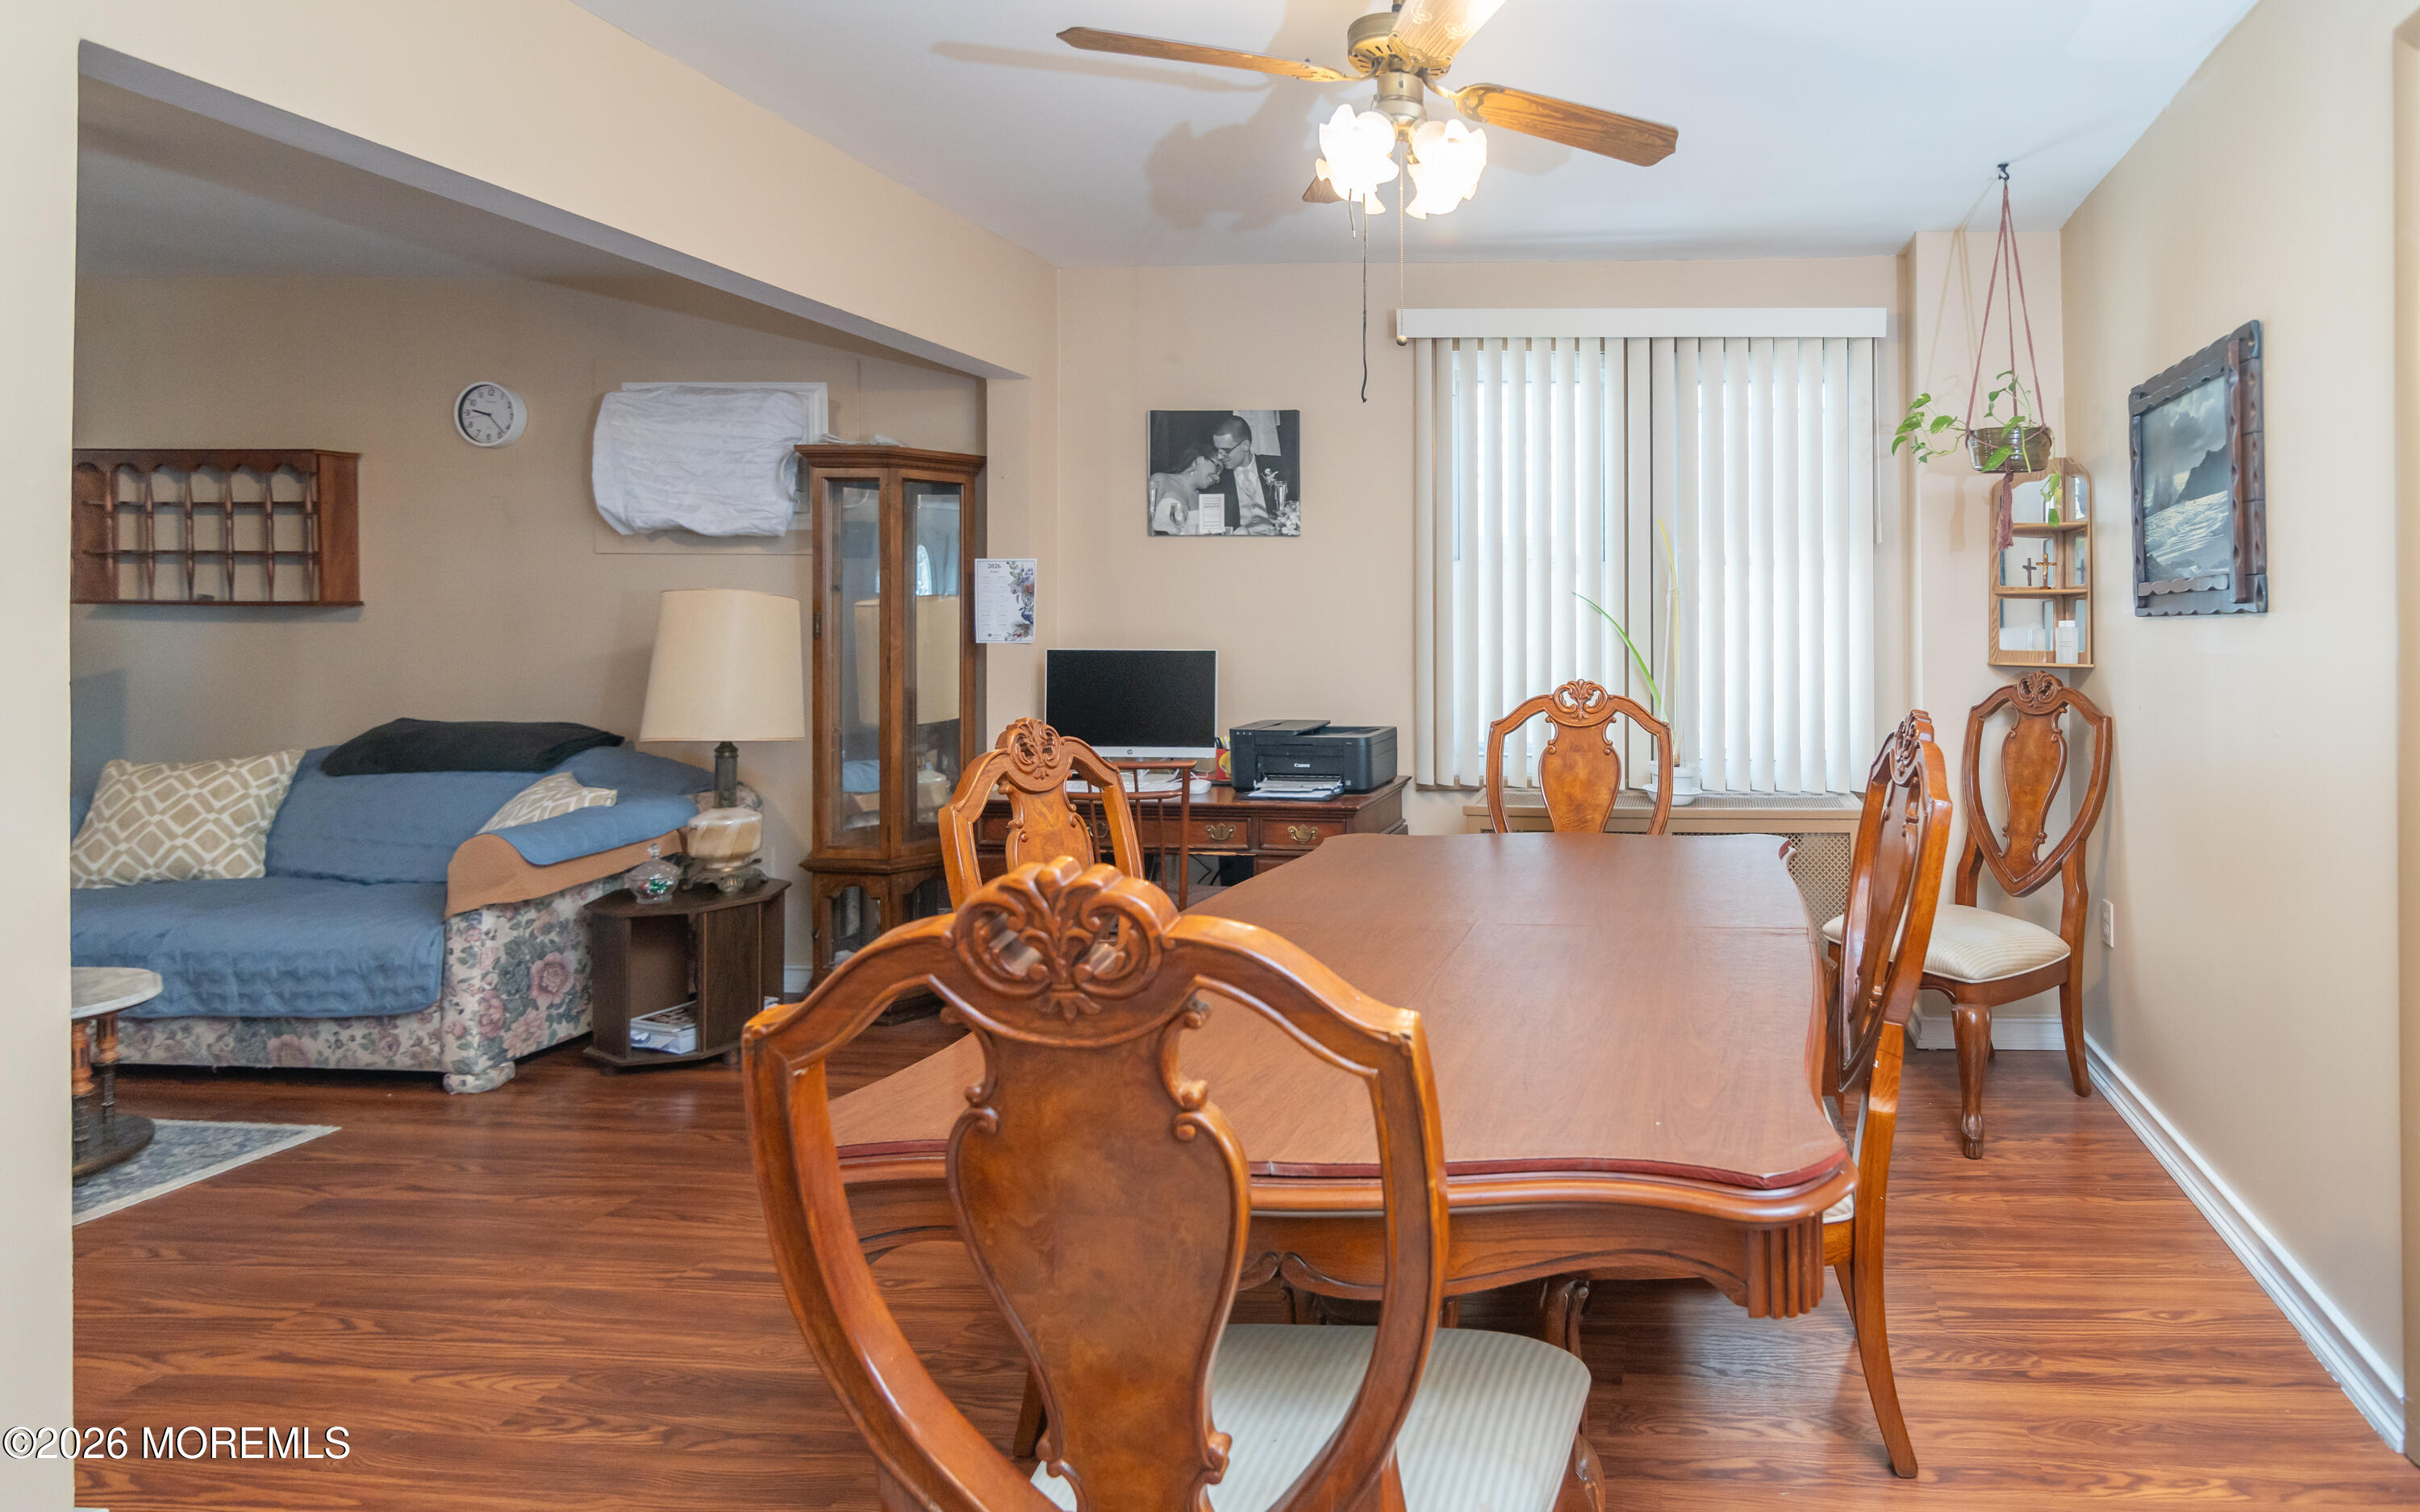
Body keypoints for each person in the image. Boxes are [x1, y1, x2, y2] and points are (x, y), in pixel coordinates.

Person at [1210, 414, 1274, 534]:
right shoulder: (1217, 479)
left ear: (1245, 445)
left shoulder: (1281, 468)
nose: (1219, 457)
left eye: (1226, 451)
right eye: (1217, 450)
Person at [1147, 448, 1221, 535]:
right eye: (1217, 467)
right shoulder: (1161, 480)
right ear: (1199, 460)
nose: (1217, 477)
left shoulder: (1204, 499)